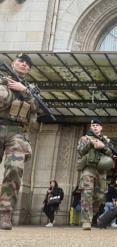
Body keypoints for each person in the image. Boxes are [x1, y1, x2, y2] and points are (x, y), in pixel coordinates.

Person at [0, 54, 38, 230]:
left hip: (17, 133)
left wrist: (24, 90)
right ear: (12, 63)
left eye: (27, 64)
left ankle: (5, 215)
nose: (24, 64)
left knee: (15, 170)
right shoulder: (1, 79)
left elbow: (36, 109)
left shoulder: (30, 88)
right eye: (21, 61)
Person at [76, 118, 114, 230]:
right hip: (88, 168)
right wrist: (90, 144)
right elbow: (80, 151)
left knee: (100, 196)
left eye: (97, 125)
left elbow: (111, 152)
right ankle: (86, 221)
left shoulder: (105, 139)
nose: (95, 127)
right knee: (87, 193)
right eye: (93, 125)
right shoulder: (84, 138)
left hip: (101, 170)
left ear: (101, 127)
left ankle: (91, 215)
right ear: (90, 127)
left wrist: (103, 147)